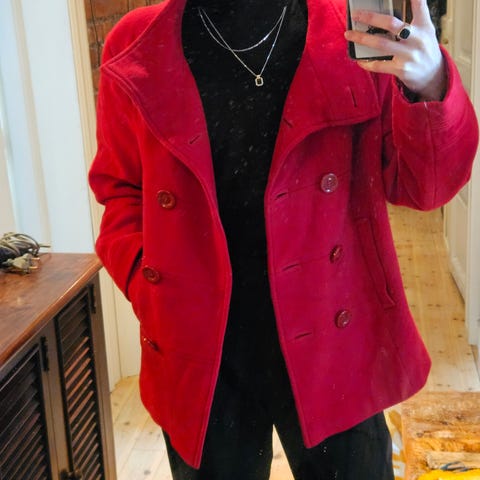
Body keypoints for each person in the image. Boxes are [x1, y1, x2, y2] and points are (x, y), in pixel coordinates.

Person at [88, 0, 478, 478]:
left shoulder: (353, 33)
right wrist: (151, 289)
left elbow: (425, 188)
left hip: (335, 338)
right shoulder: (137, 44)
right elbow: (120, 191)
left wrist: (431, 84)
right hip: (201, 352)